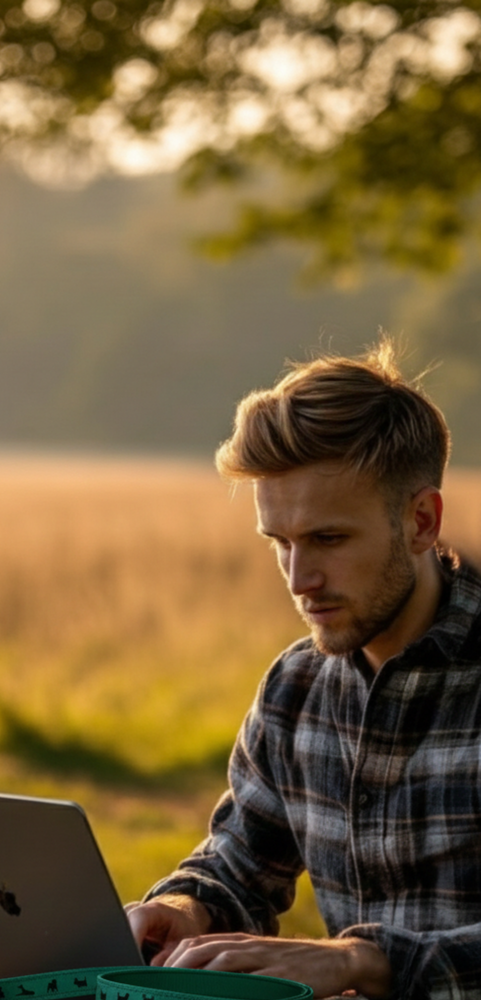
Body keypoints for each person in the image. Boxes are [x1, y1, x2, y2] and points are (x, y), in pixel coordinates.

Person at [125, 338, 481, 1000]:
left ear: (423, 521)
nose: (300, 579)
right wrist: (181, 908)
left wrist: (361, 961)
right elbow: (239, 863)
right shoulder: (296, 688)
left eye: (328, 539)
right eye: (280, 543)